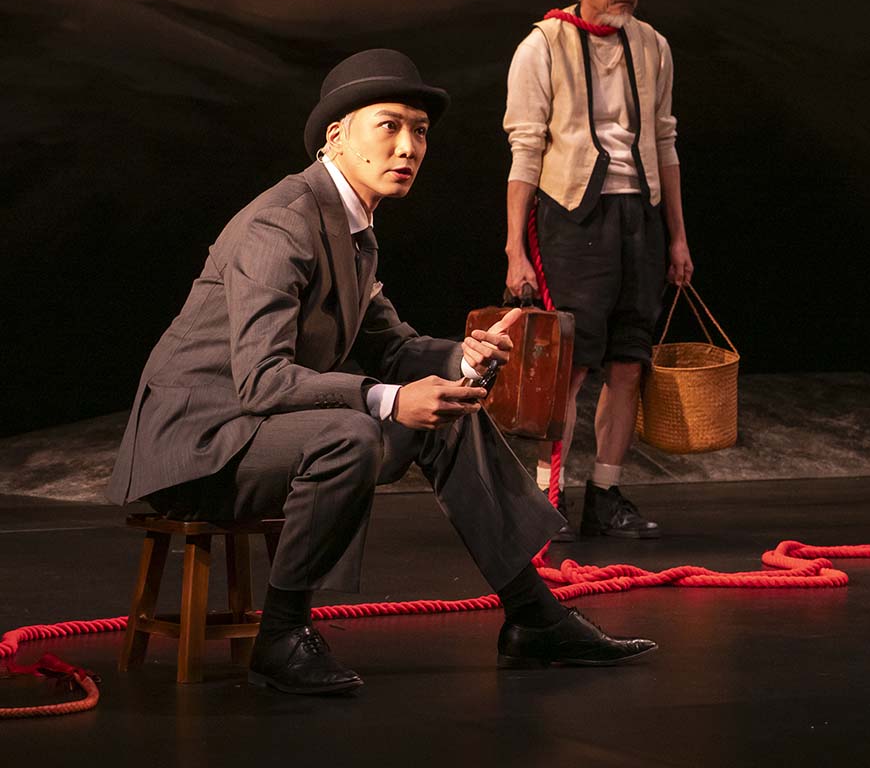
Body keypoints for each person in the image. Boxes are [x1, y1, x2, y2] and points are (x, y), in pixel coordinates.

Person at [106, 49, 656, 695]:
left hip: (255, 430)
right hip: (198, 445)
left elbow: (391, 344)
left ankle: (533, 615)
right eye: (389, 126)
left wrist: (465, 358)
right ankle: (281, 635)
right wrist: (390, 400)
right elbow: (261, 379)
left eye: (419, 131)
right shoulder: (282, 223)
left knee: (449, 413)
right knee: (351, 434)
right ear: (337, 135)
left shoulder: (351, 224)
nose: (408, 147)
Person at [503, 0, 693, 541]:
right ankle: (545, 495)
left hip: (639, 215)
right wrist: (515, 249)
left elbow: (664, 141)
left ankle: (605, 493)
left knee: (628, 360)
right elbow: (525, 149)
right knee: (571, 364)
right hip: (573, 217)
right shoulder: (542, 46)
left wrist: (677, 236)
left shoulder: (653, 46)